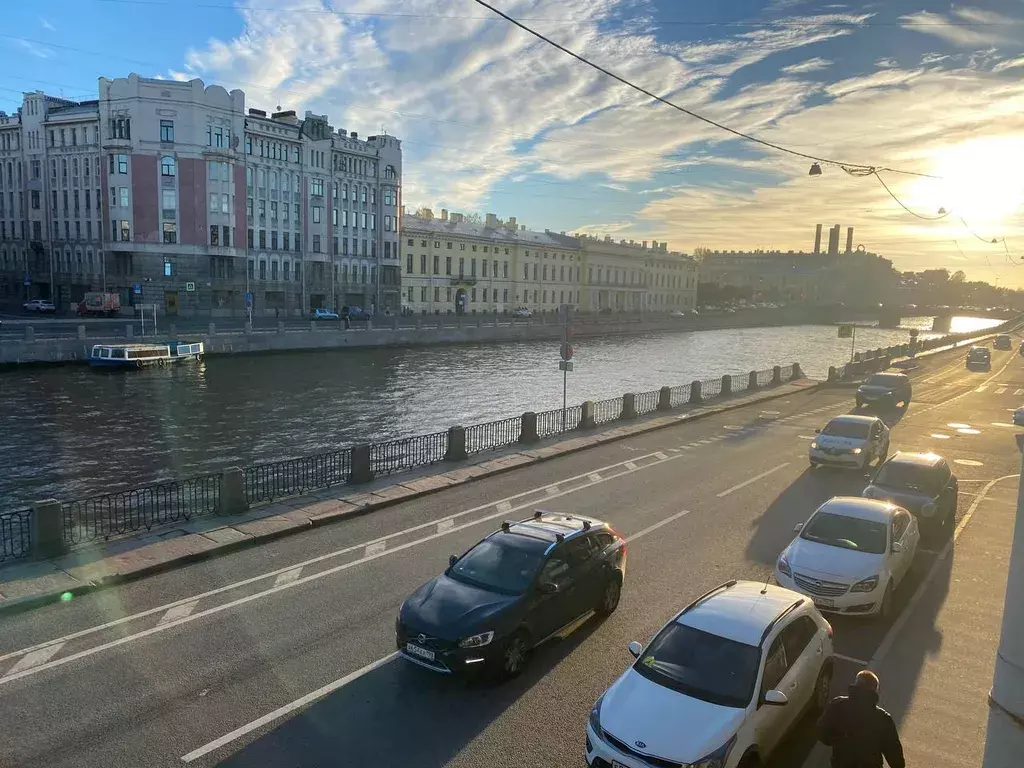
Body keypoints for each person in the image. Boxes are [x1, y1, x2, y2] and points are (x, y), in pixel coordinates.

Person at [818, 670, 905, 768]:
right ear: (874, 690)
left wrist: (839, 737)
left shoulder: (838, 705)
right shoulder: (883, 719)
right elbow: (895, 755)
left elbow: (822, 733)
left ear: (856, 683)